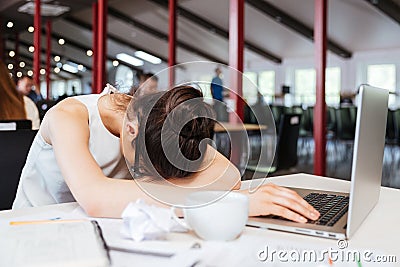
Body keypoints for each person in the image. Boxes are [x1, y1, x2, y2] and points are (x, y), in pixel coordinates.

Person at [13, 85, 319, 223]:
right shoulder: (69, 115)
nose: (148, 178)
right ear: (130, 129)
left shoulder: (160, 119)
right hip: (35, 227)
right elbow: (96, 199)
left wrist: (223, 195)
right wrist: (228, 205)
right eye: (145, 168)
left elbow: (228, 175)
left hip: (108, 228)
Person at [0, 60, 40, 129]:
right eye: (27, 85)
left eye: (30, 86)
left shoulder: (27, 103)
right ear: (19, 83)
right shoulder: (27, 103)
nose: (29, 88)